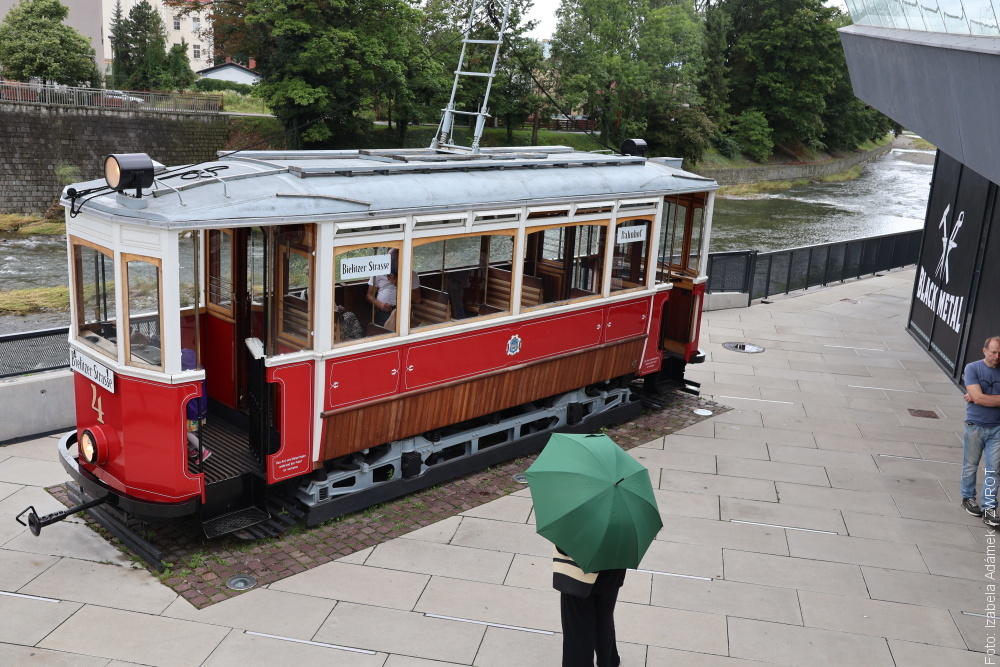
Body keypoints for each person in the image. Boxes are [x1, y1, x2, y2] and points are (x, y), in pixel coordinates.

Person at [553, 545, 626, 667]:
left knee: (577, 627)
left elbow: (563, 548)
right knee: (604, 617)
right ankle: (609, 660)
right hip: (612, 572)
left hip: (579, 574)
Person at [961, 336, 1000, 526]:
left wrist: (980, 397)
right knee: (970, 465)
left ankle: (989, 509)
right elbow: (977, 398)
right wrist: (978, 397)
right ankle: (968, 498)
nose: (997, 356)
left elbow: (978, 397)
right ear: (985, 351)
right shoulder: (972, 368)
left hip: (998, 428)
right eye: (993, 352)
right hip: (975, 425)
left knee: (994, 469)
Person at [366, 249, 420, 326]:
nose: (390, 262)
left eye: (394, 259)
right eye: (389, 258)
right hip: (383, 310)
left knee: (398, 319)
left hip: (402, 310)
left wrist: (398, 284)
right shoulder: (378, 271)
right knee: (387, 321)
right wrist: (380, 305)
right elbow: (369, 295)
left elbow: (417, 299)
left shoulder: (411, 274)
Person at [181, 348, 211, 463]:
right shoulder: (199, 372)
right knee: (192, 430)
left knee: (186, 431)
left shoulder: (187, 378)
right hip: (200, 408)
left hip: (192, 411)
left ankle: (203, 450)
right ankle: (191, 449)